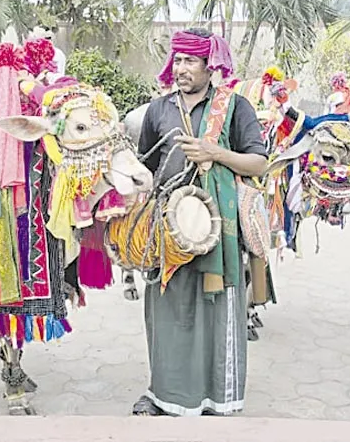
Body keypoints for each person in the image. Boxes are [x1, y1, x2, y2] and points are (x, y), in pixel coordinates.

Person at [133, 28, 267, 416]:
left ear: (211, 66)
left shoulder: (235, 106)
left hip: (219, 233)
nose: (181, 68)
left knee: (217, 309)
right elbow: (146, 169)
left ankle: (219, 398)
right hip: (167, 230)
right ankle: (164, 395)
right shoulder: (158, 109)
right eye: (177, 60)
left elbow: (258, 162)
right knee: (166, 312)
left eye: (190, 61)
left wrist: (215, 152)